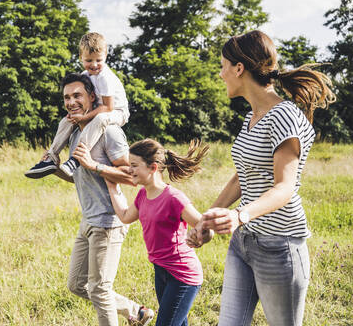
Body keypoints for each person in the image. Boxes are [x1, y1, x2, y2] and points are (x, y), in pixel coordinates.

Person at [187, 30, 336, 326]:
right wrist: (208, 219)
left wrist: (239, 215)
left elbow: (285, 187)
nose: (220, 74)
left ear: (239, 68)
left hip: (279, 247)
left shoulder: (284, 116)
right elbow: (244, 175)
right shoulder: (252, 116)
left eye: (222, 66)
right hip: (244, 243)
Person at [52, 73, 153, 326]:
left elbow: (132, 178)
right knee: (77, 284)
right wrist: (54, 167)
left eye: (77, 96)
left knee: (99, 289)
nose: (71, 102)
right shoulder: (76, 134)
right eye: (67, 97)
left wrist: (95, 165)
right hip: (88, 221)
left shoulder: (109, 131)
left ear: (92, 97)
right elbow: (80, 177)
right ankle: (135, 310)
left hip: (109, 222)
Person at [104, 138, 213, 326]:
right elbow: (124, 215)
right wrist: (112, 186)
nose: (130, 170)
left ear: (153, 168)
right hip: (161, 271)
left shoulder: (174, 198)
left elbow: (205, 226)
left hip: (183, 275)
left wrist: (201, 236)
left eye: (134, 165)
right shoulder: (142, 195)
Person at [25, 32, 129, 179]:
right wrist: (76, 115)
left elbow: (108, 107)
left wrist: (84, 117)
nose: (94, 65)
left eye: (99, 60)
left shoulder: (105, 77)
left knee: (101, 119)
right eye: (88, 60)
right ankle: (51, 158)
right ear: (80, 57)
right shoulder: (85, 75)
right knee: (67, 120)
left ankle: (76, 159)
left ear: (106, 55)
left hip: (117, 112)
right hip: (99, 110)